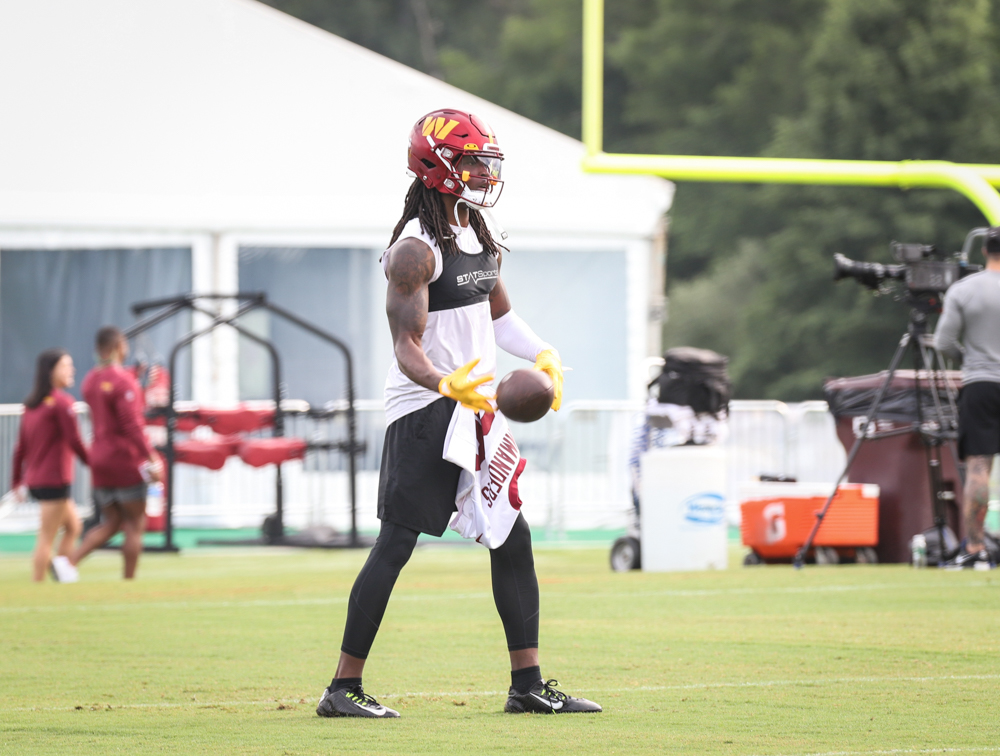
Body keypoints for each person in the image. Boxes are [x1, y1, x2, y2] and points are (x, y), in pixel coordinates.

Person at [315, 109, 601, 718]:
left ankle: (527, 685)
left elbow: (499, 318)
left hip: (473, 408)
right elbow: (406, 348)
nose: (482, 173)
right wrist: (450, 384)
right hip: (425, 409)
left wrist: (543, 352)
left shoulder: (476, 229)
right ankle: (342, 688)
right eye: (472, 161)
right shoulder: (414, 249)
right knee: (396, 542)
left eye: (486, 162)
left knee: (512, 537)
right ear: (438, 166)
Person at [68, 326, 160, 579]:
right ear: (119, 347)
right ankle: (128, 580)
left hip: (100, 459)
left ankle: (68, 562)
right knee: (134, 523)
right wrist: (151, 456)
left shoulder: (90, 380)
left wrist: (133, 377)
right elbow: (131, 425)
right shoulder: (123, 381)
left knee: (111, 522)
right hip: (125, 460)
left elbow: (107, 389)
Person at [934, 226, 1000, 569]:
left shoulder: (964, 290)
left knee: (978, 468)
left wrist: (969, 358)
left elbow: (943, 343)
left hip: (981, 383)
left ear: (984, 251)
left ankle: (976, 550)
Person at [10, 349, 89, 582]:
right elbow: (75, 440)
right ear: (51, 371)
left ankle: (59, 571)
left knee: (74, 526)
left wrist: (17, 480)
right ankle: (38, 584)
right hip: (54, 480)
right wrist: (94, 462)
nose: (71, 370)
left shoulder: (33, 405)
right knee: (46, 536)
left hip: (37, 479)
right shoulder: (61, 403)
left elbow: (19, 449)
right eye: (66, 365)